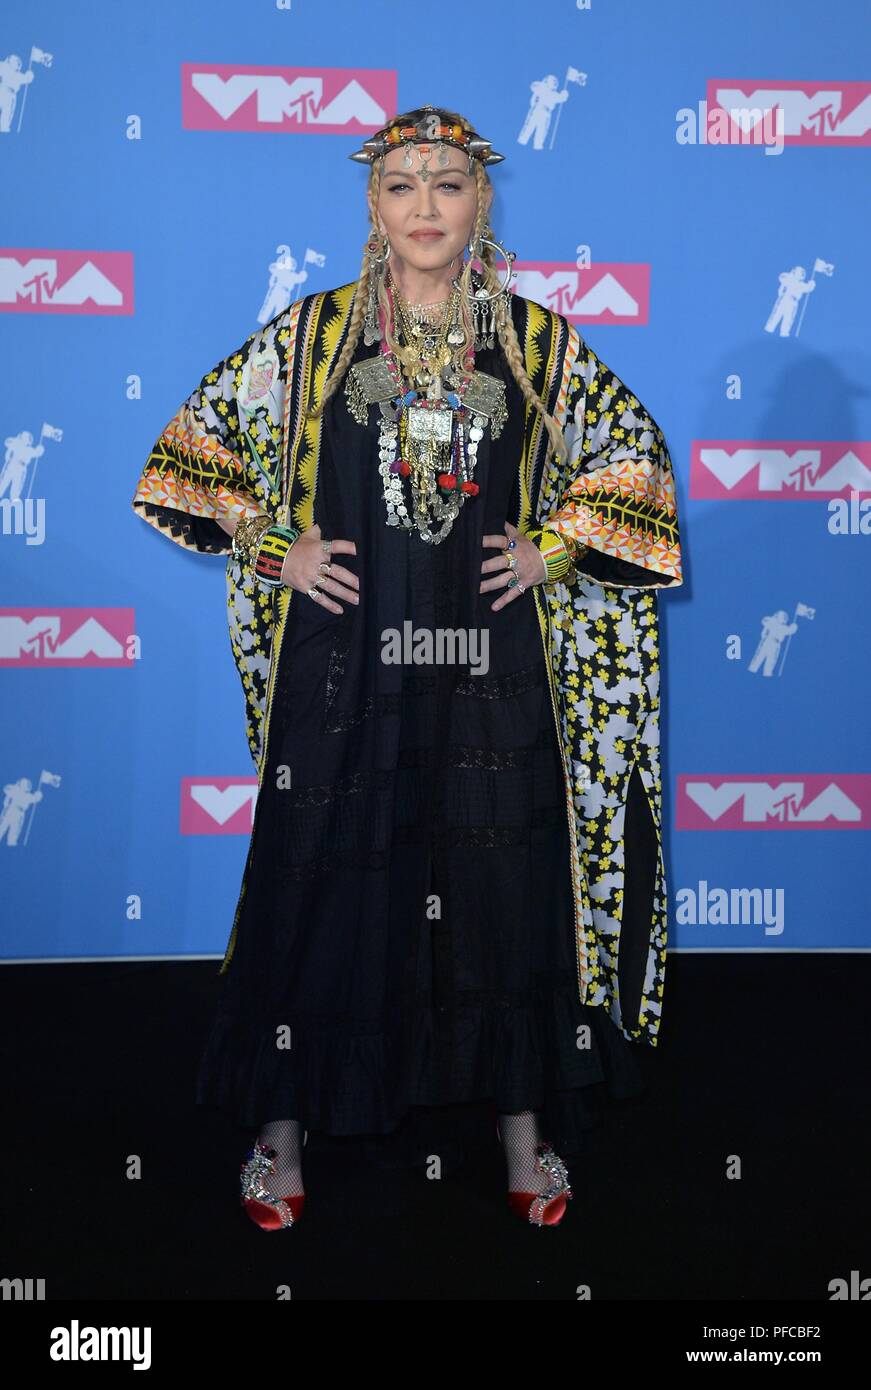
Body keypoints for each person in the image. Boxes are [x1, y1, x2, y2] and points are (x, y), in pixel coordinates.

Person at [131, 104, 683, 1231]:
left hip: (494, 669)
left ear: (481, 203)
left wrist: (558, 545)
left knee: (506, 890)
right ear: (371, 208)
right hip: (346, 669)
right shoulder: (312, 339)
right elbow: (186, 459)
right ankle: (278, 1127)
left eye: (446, 185)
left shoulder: (536, 345)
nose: (425, 207)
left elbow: (635, 460)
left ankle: (525, 1122)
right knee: (316, 877)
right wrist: (274, 542)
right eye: (402, 187)